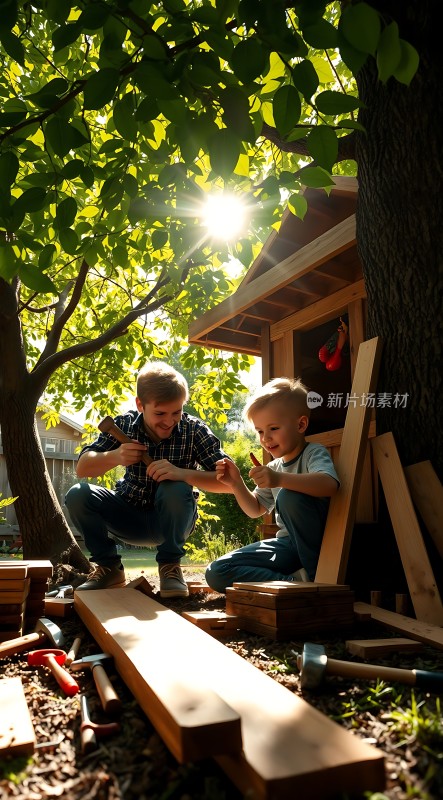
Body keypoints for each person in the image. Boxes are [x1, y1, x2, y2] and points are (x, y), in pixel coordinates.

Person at [65, 362, 230, 597]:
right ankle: (109, 568)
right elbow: (83, 467)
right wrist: (115, 456)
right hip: (127, 518)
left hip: (173, 522)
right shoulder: (123, 425)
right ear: (140, 405)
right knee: (78, 494)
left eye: (176, 412)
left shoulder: (194, 430)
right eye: (160, 413)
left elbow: (228, 481)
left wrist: (182, 473)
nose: (169, 421)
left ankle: (170, 567)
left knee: (174, 487)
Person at [205, 377, 339, 593]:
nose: (265, 438)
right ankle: (296, 583)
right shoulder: (273, 466)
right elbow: (255, 509)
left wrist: (279, 480)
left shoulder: (314, 453)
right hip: (286, 546)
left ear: (301, 424)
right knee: (217, 571)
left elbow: (329, 484)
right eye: (259, 431)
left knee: (288, 496)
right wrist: (236, 483)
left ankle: (318, 579)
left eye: (273, 428)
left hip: (316, 545)